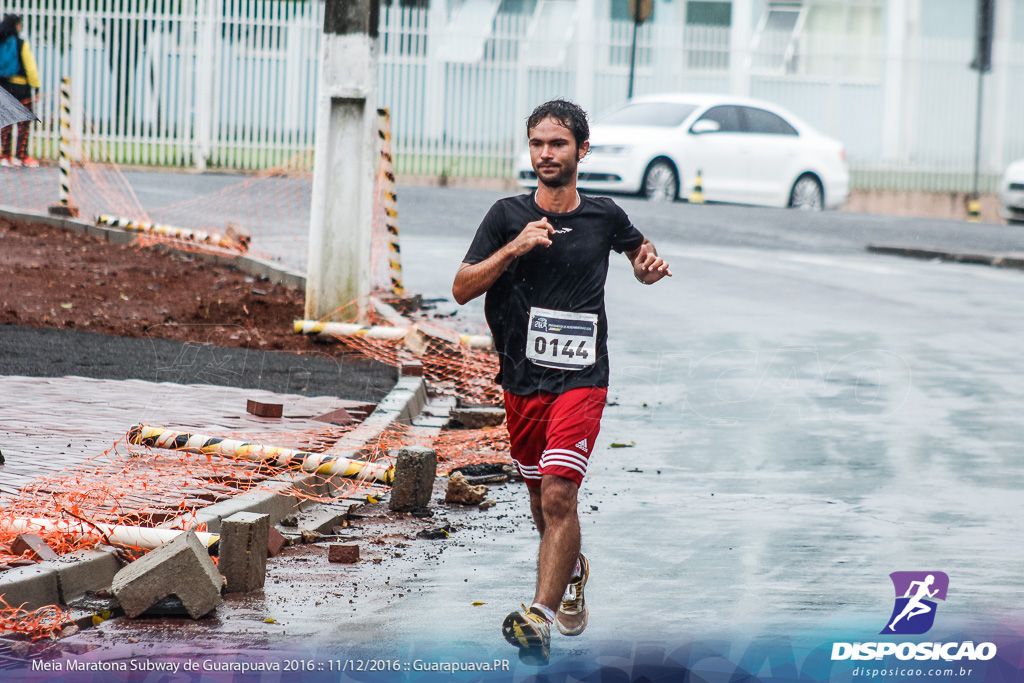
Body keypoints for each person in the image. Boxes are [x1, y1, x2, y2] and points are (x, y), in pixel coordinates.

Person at [451, 99, 672, 665]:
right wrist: (516, 246)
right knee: (537, 497)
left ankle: (538, 618)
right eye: (537, 144)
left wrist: (646, 269)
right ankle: (572, 571)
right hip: (522, 383)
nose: (546, 154)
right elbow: (461, 287)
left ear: (582, 150)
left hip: (583, 378)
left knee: (558, 492)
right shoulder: (506, 216)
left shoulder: (604, 217)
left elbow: (640, 257)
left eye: (558, 144)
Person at [0, 14, 41, 168]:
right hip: (21, 88)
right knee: (23, 123)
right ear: (16, 25)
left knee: (6, 122)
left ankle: (5, 156)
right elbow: (30, 68)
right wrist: (36, 86)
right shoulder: (20, 43)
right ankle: (21, 156)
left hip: (3, 88)